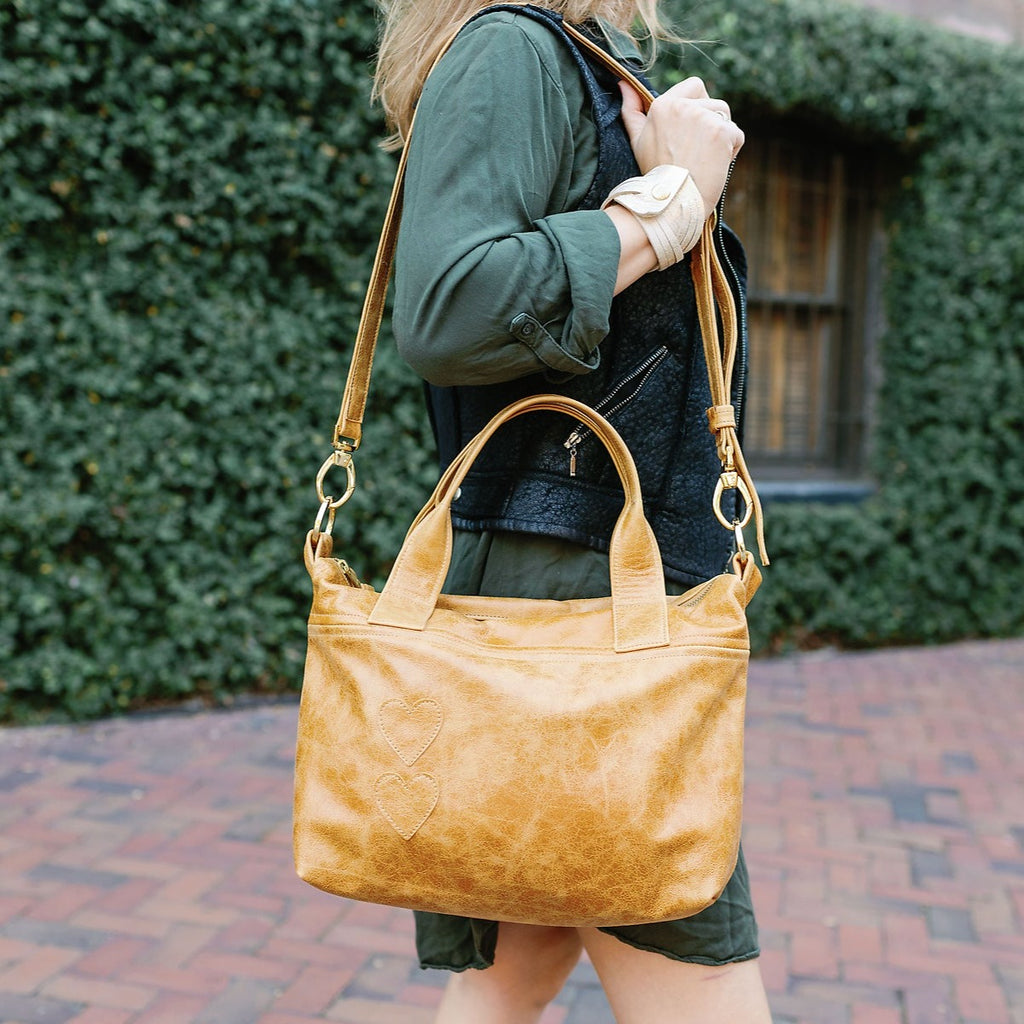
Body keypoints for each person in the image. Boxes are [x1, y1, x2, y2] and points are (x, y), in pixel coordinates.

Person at [373, 2, 772, 1021]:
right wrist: (666, 206)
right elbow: (449, 305)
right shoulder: (513, 48)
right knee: (705, 984)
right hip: (573, 607)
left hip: (576, 596)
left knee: (513, 964)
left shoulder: (593, 66)